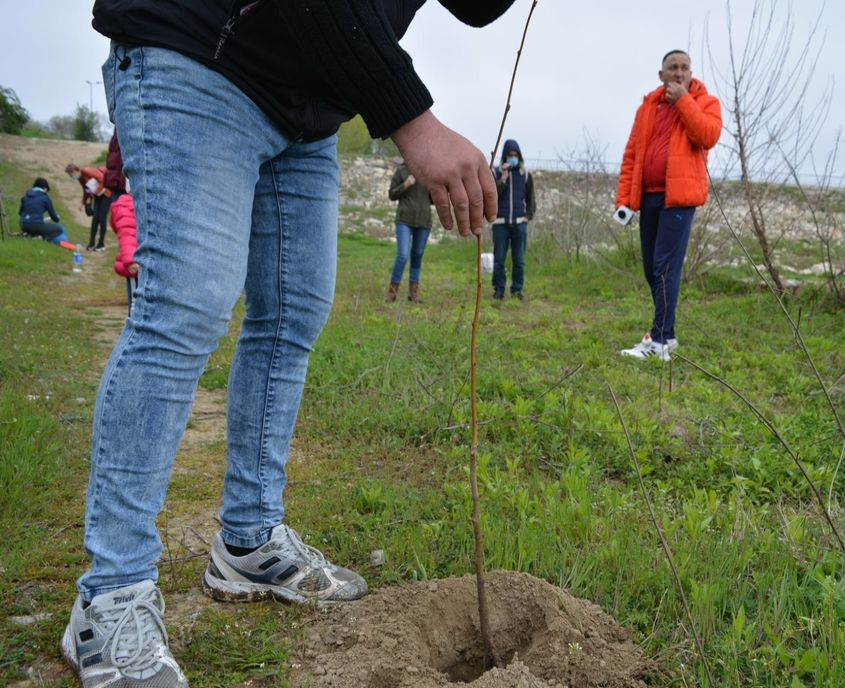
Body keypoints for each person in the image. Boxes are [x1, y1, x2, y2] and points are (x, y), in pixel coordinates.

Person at [63, 2, 514, 687]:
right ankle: (111, 594)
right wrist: (414, 123)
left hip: (304, 107)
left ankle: (249, 541)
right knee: (183, 307)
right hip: (199, 52)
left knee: (292, 315)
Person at [615, 50, 722, 361]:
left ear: (691, 73)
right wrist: (624, 199)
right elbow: (632, 153)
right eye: (672, 68)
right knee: (652, 267)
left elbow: (707, 135)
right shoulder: (647, 107)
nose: (678, 73)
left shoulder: (704, 102)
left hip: (679, 197)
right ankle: (667, 334)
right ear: (661, 75)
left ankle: (660, 340)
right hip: (648, 195)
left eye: (684, 68)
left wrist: (683, 101)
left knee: (665, 266)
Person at [491, 139, 535, 300]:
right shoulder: (496, 173)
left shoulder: (525, 175)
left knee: (519, 260)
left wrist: (527, 216)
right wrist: (503, 178)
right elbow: (492, 194)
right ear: (504, 156)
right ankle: (499, 290)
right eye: (509, 155)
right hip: (500, 224)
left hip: (519, 224)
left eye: (515, 155)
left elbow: (531, 199)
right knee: (499, 260)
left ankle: (517, 290)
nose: (512, 157)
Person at [387, 160, 433, 303]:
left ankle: (413, 294)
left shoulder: (429, 172)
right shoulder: (401, 170)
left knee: (417, 255)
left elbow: (434, 199)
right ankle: (392, 292)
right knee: (402, 255)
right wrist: (405, 185)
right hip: (404, 221)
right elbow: (392, 194)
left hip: (424, 221)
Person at [65, 162, 113, 251]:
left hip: (106, 194)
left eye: (71, 174)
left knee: (102, 218)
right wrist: (82, 202)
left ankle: (101, 244)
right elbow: (86, 190)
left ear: (76, 170)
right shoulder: (80, 178)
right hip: (97, 195)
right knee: (95, 218)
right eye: (70, 175)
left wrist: (96, 191)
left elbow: (102, 179)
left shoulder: (87, 171)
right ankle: (91, 243)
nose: (71, 177)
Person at [109, 191, 139, 313]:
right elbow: (126, 234)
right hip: (135, 264)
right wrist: (131, 260)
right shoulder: (126, 205)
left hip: (152, 263)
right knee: (135, 306)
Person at [18, 178, 70, 244]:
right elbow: (53, 216)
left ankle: (32, 235)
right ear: (45, 188)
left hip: (23, 225)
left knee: (41, 226)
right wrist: (57, 219)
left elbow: (20, 213)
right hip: (36, 225)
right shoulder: (45, 198)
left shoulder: (25, 197)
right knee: (59, 228)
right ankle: (42, 238)